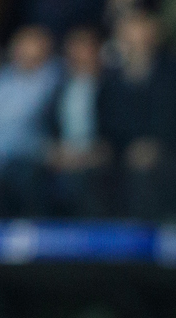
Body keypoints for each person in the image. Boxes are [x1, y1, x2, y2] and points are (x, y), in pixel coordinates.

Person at [97, 10, 176, 220]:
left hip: (164, 148)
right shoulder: (111, 78)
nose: (136, 37)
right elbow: (105, 119)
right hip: (120, 147)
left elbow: (175, 120)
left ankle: (143, 235)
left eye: (141, 29)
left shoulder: (172, 72)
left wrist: (154, 145)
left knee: (145, 169)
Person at [0, 25, 60, 217]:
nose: (24, 49)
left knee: (13, 175)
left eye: (31, 44)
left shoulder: (51, 75)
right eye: (21, 44)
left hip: (28, 153)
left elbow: (26, 112)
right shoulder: (4, 77)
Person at [46, 24, 108, 217]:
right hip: (65, 153)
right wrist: (55, 149)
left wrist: (94, 151)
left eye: (84, 48)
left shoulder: (110, 84)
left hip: (98, 151)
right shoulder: (61, 87)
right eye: (73, 49)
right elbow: (51, 125)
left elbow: (117, 124)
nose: (78, 54)